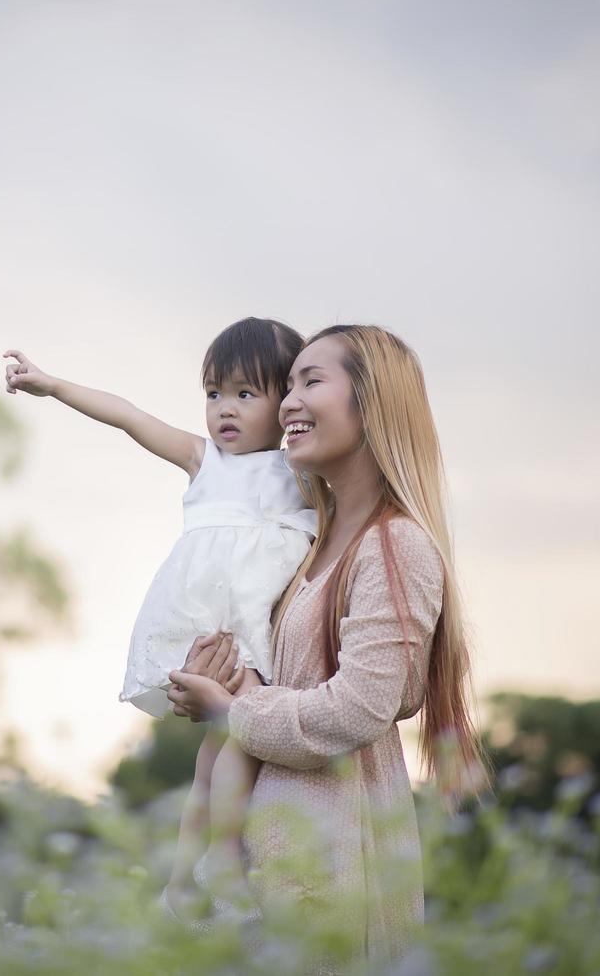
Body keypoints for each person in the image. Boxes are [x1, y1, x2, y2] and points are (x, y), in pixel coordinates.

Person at [166, 324, 493, 964]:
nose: (288, 402)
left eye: (310, 382)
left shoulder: (395, 546)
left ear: (371, 405)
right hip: (268, 869)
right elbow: (279, 692)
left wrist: (231, 712)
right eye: (288, 385)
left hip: (333, 870)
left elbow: (354, 710)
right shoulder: (306, 549)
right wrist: (218, 680)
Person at [2, 318, 316, 922]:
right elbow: (127, 416)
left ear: (285, 403)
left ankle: (182, 878)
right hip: (214, 624)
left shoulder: (298, 473)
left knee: (217, 749)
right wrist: (53, 384)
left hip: (251, 620)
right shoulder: (205, 462)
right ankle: (220, 856)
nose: (225, 409)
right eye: (214, 393)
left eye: (246, 394)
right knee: (240, 734)